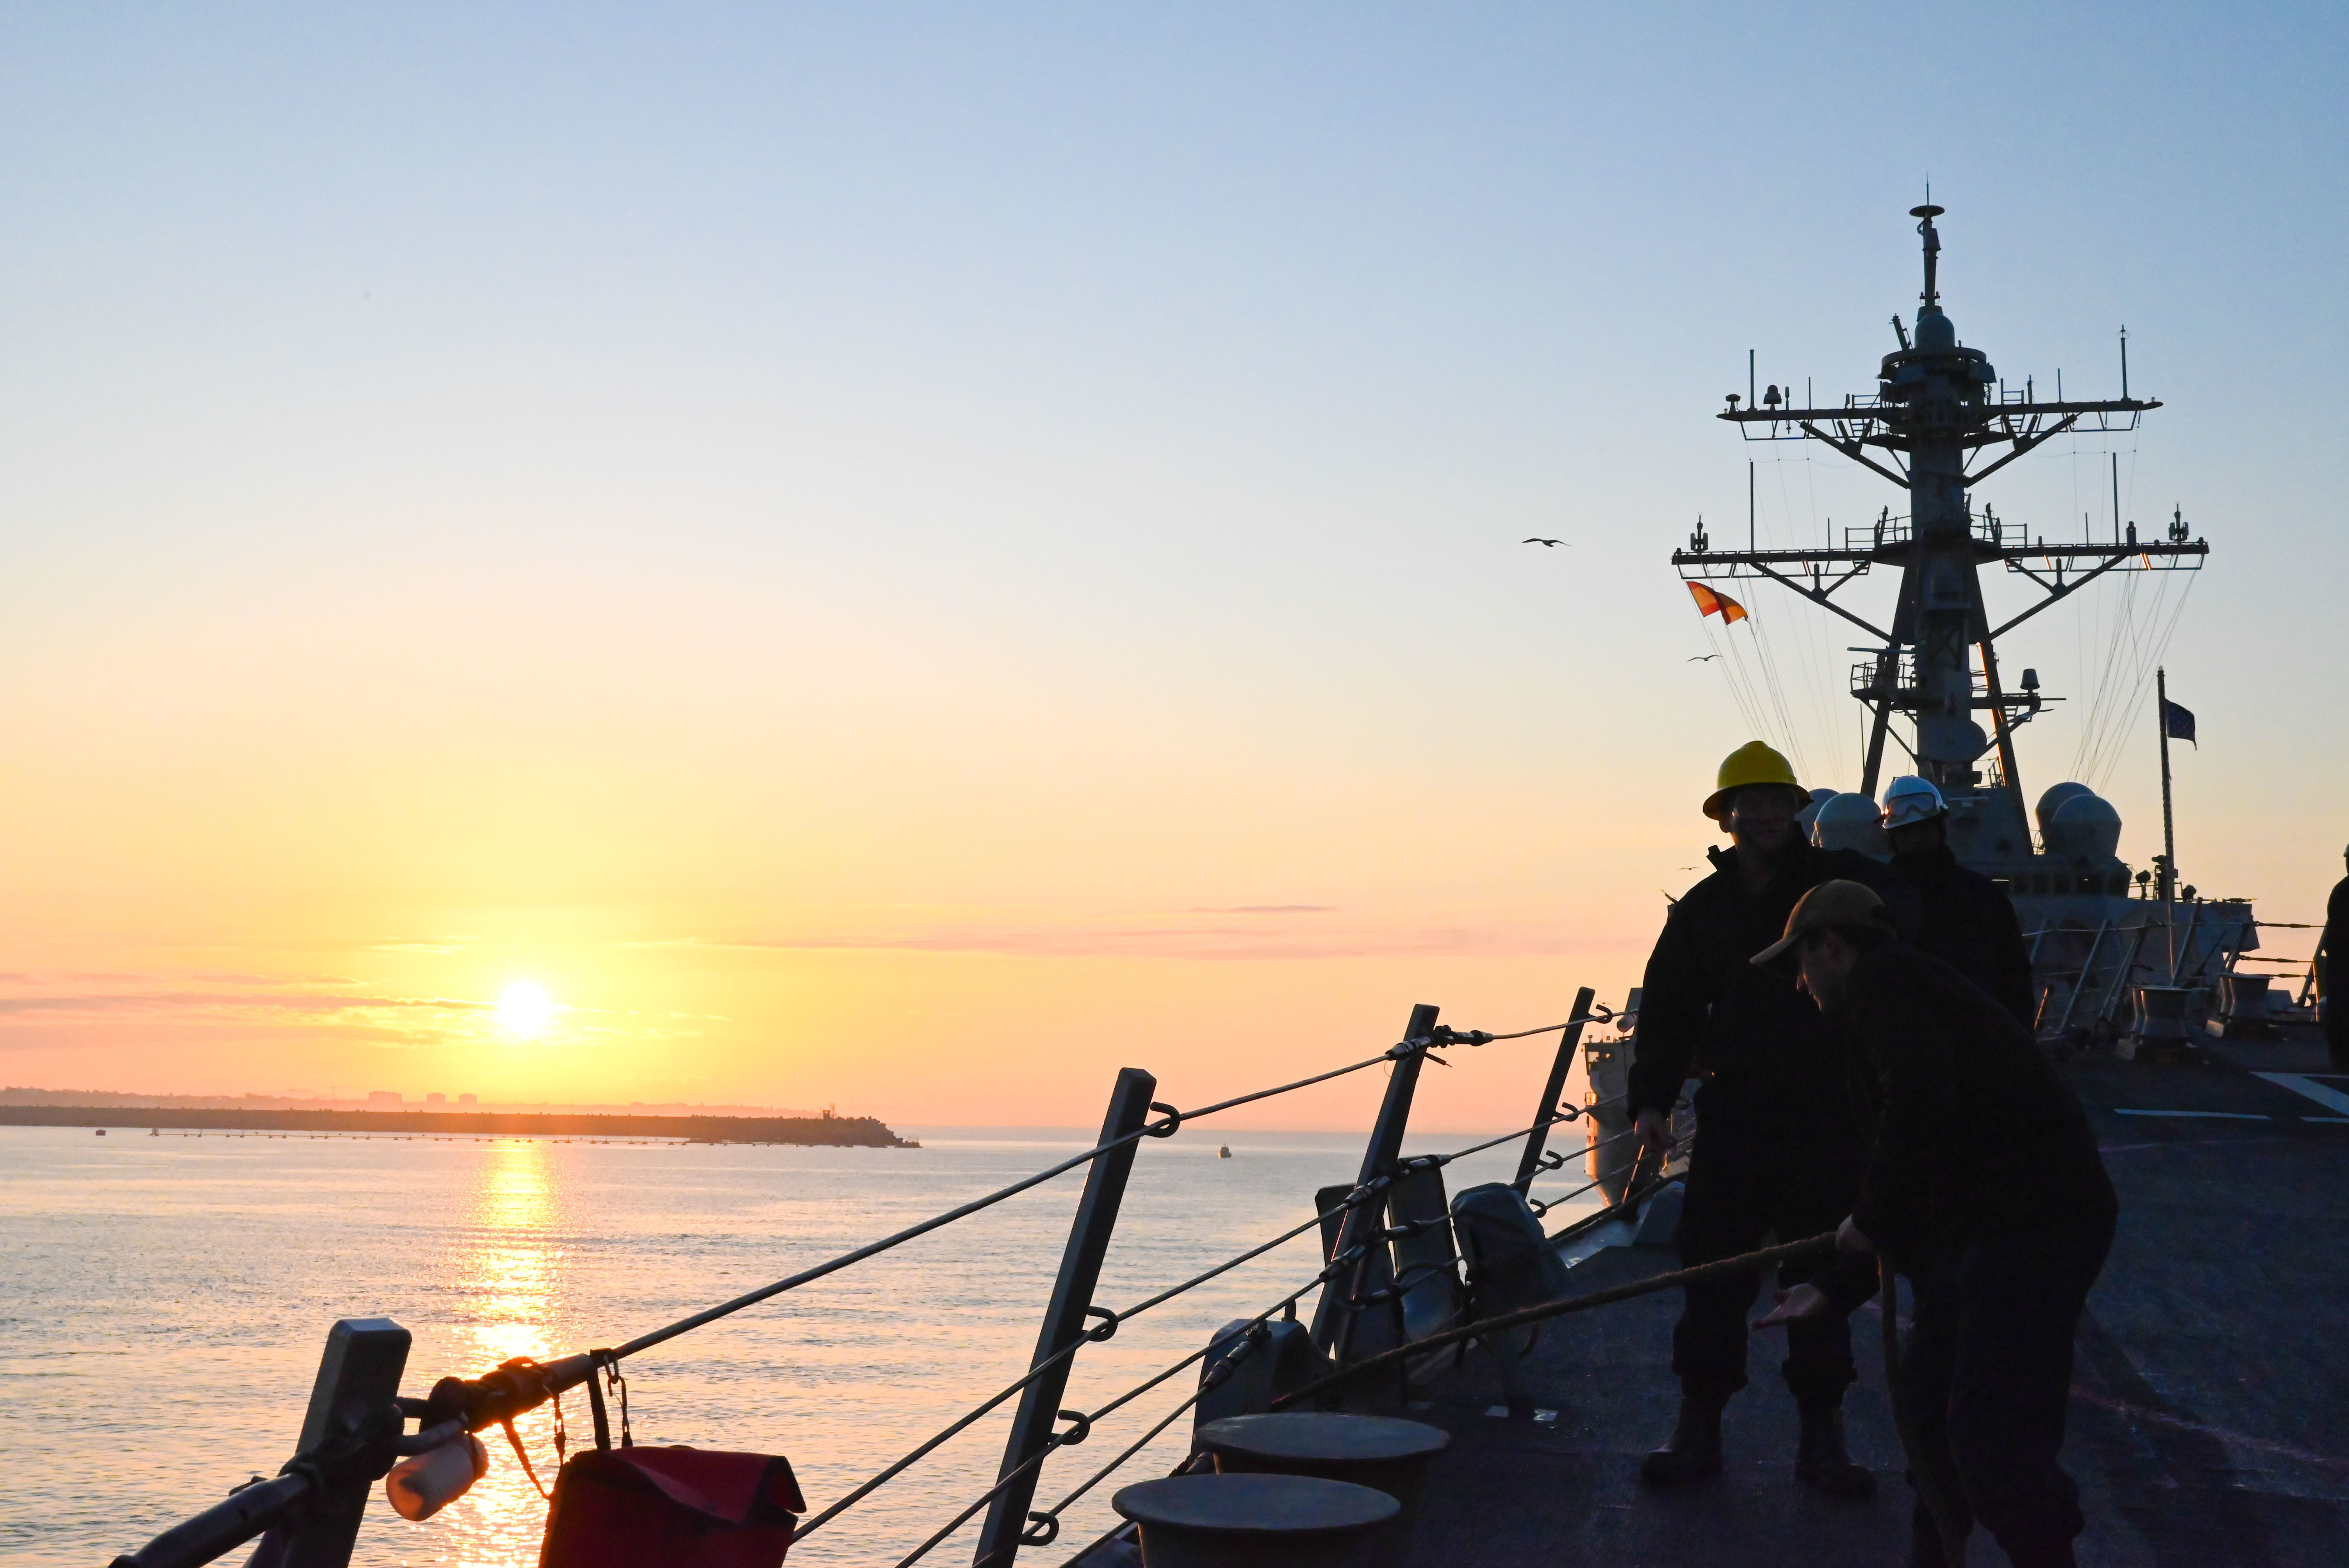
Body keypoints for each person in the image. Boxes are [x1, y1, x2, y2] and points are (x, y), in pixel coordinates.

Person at [1753, 880, 2117, 1568]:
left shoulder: (1884, 988)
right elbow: (1919, 1165)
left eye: (1798, 964)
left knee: (1990, 1440)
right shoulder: (1909, 990)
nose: (1799, 985)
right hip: (1984, 1229)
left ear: (1831, 946)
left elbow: (1919, 1109)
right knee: (1928, 1420)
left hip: (2032, 1229)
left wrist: (1868, 1216)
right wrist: (1834, 1287)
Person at [1629, 741, 1917, 1494]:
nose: (1760, 813)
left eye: (1774, 801)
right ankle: (1697, 1432)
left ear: (1797, 809)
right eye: (1746, 802)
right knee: (1710, 1281)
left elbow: (1901, 920)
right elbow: (1667, 1005)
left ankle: (1824, 1444)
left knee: (1824, 1280)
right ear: (1725, 815)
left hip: (1827, 1113)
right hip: (1736, 1117)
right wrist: (1651, 1099)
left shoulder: (1840, 886)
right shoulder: (1704, 909)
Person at [1879, 776, 2037, 1028]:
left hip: (1977, 1040)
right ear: (1892, 837)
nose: (1917, 839)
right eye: (1907, 832)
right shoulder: (1878, 900)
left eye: (1924, 829)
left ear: (1940, 828)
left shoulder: (1985, 899)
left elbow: (2015, 981)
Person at [2321, 845, 2349, 1071]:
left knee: (2339, 1007)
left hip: (2340, 958)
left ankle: (2339, 1055)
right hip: (2342, 958)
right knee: (2339, 1008)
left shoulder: (2341, 890)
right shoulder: (2342, 891)